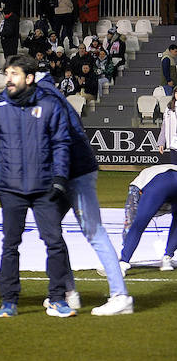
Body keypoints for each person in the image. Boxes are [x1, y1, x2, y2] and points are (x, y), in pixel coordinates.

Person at [0, 55, 74, 318]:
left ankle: (57, 298)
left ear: (29, 78)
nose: (8, 79)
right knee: (10, 245)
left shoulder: (49, 105)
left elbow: (61, 144)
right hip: (10, 189)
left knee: (54, 243)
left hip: (44, 188)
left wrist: (60, 178)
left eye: (14, 74)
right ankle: (9, 301)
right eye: (7, 74)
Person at [34, 69, 133, 315]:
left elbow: (60, 142)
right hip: (69, 172)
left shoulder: (45, 99)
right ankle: (69, 292)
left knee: (94, 232)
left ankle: (120, 295)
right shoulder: (51, 96)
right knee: (51, 231)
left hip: (75, 172)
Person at [118, 160, 177, 270]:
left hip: (158, 185)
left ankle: (124, 262)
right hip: (164, 182)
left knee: (139, 224)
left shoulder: (137, 185)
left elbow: (131, 219)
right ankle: (167, 258)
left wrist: (125, 245)